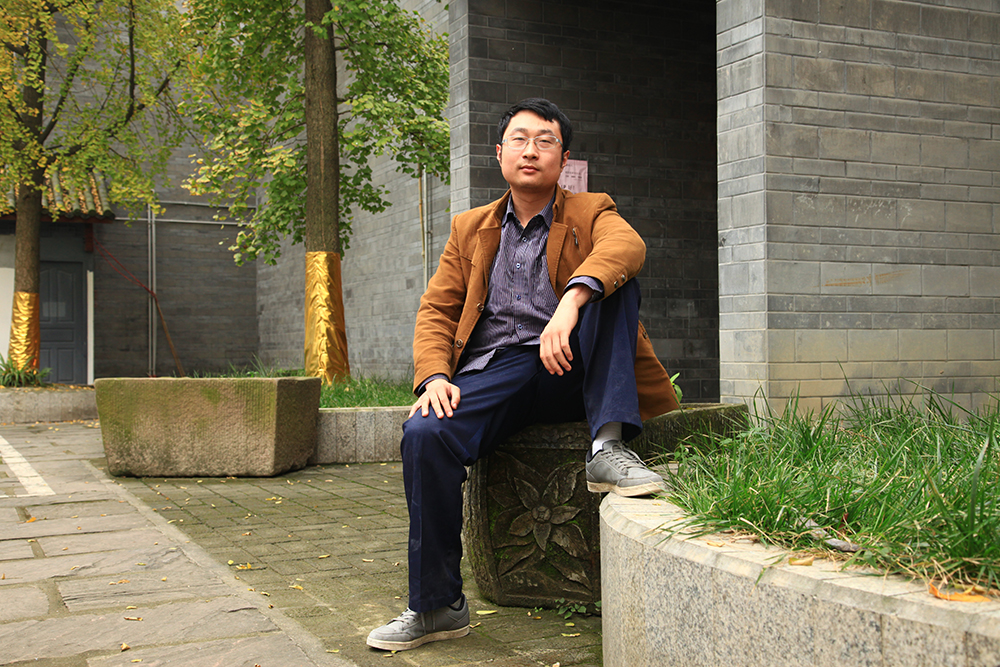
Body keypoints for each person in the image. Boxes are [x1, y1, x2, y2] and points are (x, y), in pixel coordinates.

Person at [366, 98, 680, 652]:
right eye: (519, 139)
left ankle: (607, 446)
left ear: (564, 158)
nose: (531, 150)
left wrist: (573, 299)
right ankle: (437, 607)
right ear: (500, 153)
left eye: (545, 140)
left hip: (569, 364)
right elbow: (437, 310)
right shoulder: (470, 228)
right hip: (496, 371)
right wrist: (434, 378)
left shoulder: (590, 210)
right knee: (424, 434)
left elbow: (626, 246)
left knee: (613, 282)